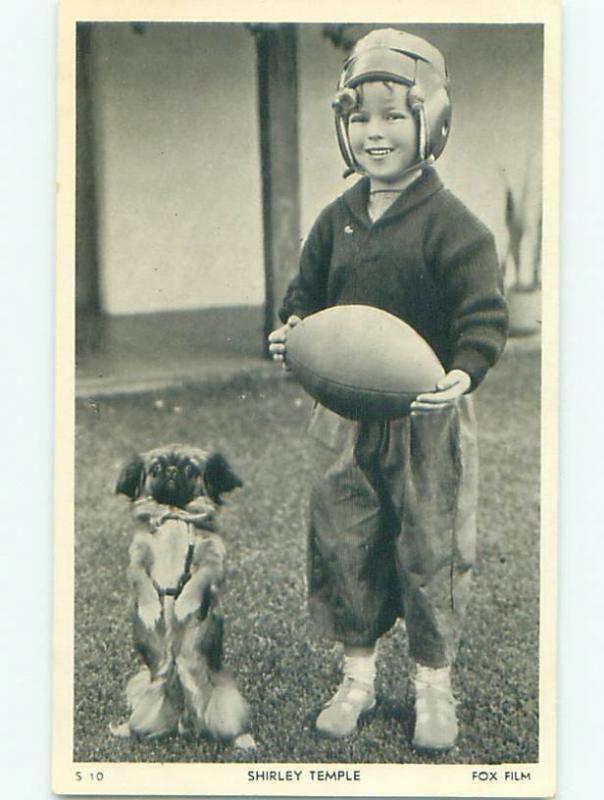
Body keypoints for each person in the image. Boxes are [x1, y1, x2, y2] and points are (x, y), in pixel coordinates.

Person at [268, 28, 508, 752]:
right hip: (344, 418)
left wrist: (462, 370)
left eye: (394, 116)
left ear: (430, 122)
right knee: (345, 541)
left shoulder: (454, 226)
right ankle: (358, 678)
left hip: (425, 417)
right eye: (361, 117)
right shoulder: (336, 218)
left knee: (429, 547)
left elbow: (483, 316)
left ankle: (434, 687)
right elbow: (303, 295)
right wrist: (293, 328)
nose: (376, 134)